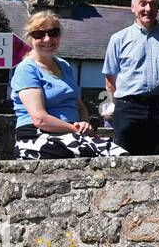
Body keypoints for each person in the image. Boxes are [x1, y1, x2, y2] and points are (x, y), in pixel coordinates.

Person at [11, 11, 128, 160]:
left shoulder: (64, 65)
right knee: (110, 155)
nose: (47, 39)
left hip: (70, 134)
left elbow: (79, 106)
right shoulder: (26, 69)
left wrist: (84, 124)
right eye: (39, 34)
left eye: (53, 32)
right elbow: (40, 119)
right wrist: (75, 128)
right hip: (37, 136)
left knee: (119, 153)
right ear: (30, 38)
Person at [102, 0, 159, 155]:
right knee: (124, 161)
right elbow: (110, 79)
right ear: (133, 7)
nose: (148, 8)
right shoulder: (118, 39)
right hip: (128, 109)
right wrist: (115, 105)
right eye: (143, 3)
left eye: (153, 4)